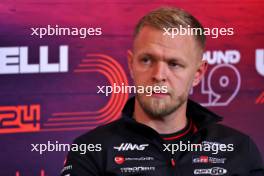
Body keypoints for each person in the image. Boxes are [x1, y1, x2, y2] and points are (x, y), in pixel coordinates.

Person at [61, 7, 264, 176]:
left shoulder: (239, 149)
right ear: (131, 64)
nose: (158, 75)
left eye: (174, 64)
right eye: (147, 60)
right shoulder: (91, 150)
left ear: (198, 72)